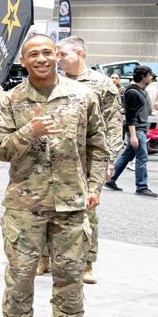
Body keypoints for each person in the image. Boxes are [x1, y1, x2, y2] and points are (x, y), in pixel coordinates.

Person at [0, 34, 106, 317]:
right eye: (32, 54)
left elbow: (98, 145)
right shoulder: (11, 100)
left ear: (57, 56)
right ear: (23, 61)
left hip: (71, 202)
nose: (41, 58)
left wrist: (95, 185)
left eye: (47, 52)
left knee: (69, 273)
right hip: (25, 204)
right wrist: (29, 132)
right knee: (21, 273)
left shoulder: (83, 96)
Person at [52, 36, 124, 284]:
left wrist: (109, 160)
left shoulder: (102, 84)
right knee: (46, 206)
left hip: (87, 159)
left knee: (86, 211)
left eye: (62, 54)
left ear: (79, 54)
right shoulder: (52, 81)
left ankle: (86, 263)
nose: (57, 59)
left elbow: (113, 124)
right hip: (54, 158)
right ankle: (43, 257)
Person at [105, 65, 158, 197]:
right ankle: (141, 186)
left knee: (128, 155)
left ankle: (111, 179)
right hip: (137, 129)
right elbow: (131, 115)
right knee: (142, 157)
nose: (151, 77)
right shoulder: (133, 92)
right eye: (149, 75)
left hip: (140, 128)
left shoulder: (142, 91)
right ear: (143, 76)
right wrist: (133, 135)